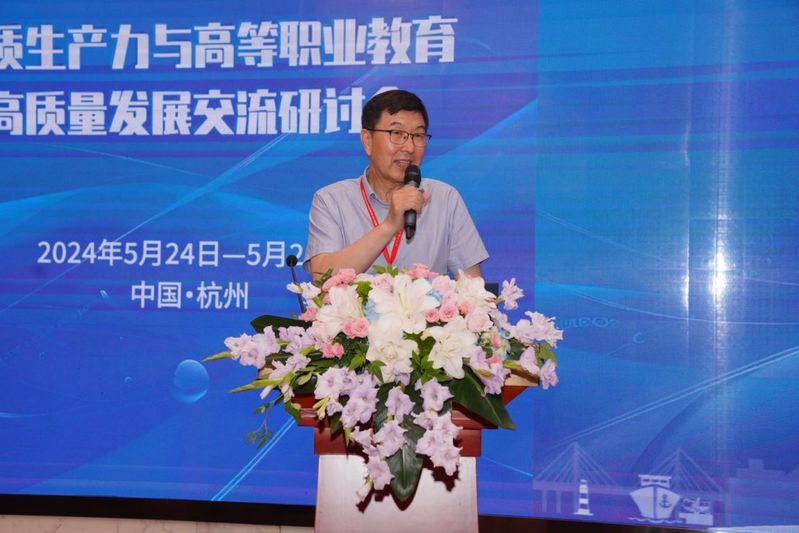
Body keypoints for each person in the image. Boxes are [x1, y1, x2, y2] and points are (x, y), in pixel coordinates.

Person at [304, 89, 488, 280]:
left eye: (418, 135)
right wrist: (389, 226)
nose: (409, 147)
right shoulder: (332, 200)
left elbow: (472, 287)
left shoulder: (445, 199)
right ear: (367, 141)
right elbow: (322, 279)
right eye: (397, 133)